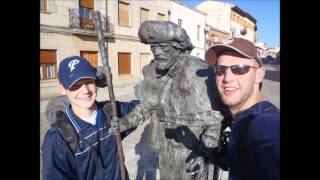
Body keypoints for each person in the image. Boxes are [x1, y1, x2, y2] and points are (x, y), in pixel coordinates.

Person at [113, 21, 224, 180]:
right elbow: (148, 105)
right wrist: (127, 122)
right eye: (153, 48)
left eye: (163, 47)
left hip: (194, 152)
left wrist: (204, 153)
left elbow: (215, 119)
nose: (156, 52)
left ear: (178, 49)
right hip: (167, 151)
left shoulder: (197, 71)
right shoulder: (158, 71)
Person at [41, 56, 139, 180]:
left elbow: (142, 106)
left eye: (88, 82)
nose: (85, 91)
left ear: (96, 83)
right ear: (62, 90)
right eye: (75, 86)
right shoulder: (57, 139)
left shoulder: (111, 111)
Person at [205, 38, 280, 180]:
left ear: (259, 75)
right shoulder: (239, 122)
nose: (227, 78)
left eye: (239, 68)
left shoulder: (264, 125)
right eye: (221, 69)